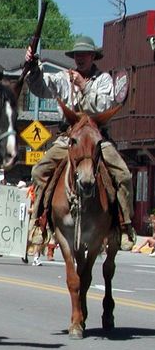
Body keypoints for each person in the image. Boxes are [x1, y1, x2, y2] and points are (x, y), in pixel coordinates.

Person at [25, 36, 135, 250]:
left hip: (96, 137)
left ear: (93, 56)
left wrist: (84, 86)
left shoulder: (103, 80)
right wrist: (32, 67)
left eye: (84, 54)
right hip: (70, 137)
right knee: (40, 170)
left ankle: (124, 225)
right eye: (77, 55)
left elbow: (105, 106)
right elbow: (40, 87)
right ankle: (39, 222)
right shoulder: (64, 78)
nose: (80, 58)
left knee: (124, 175)